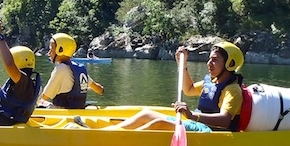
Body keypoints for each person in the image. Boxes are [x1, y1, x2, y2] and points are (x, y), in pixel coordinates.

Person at [94, 41, 245, 132]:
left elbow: (225, 120)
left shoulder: (232, 90)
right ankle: (108, 132)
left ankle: (121, 139)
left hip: (211, 131)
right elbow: (189, 89)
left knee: (159, 123)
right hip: (197, 123)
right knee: (146, 114)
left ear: (229, 64)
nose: (209, 63)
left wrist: (192, 115)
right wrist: (183, 65)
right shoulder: (212, 82)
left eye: (215, 60)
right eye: (209, 59)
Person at [40, 32, 104, 108]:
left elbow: (45, 96)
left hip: (64, 112)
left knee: (40, 103)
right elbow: (99, 90)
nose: (49, 53)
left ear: (60, 50)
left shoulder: (60, 69)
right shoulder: (79, 68)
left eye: (51, 49)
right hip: (79, 108)